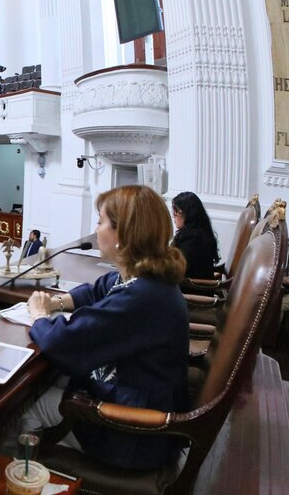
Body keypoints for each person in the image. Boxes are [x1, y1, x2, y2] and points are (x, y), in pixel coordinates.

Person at [23, 185, 188, 471]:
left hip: (130, 435)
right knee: (49, 382)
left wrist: (39, 315)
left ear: (123, 235)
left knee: (21, 407)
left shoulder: (142, 298)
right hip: (140, 409)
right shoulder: (147, 279)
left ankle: (17, 476)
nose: (96, 229)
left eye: (100, 222)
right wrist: (58, 303)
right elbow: (100, 288)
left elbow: (64, 342)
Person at [170, 192, 220, 280]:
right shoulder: (197, 234)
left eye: (176, 212)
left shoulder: (193, 239)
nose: (174, 216)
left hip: (190, 289)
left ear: (187, 213)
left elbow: (178, 268)